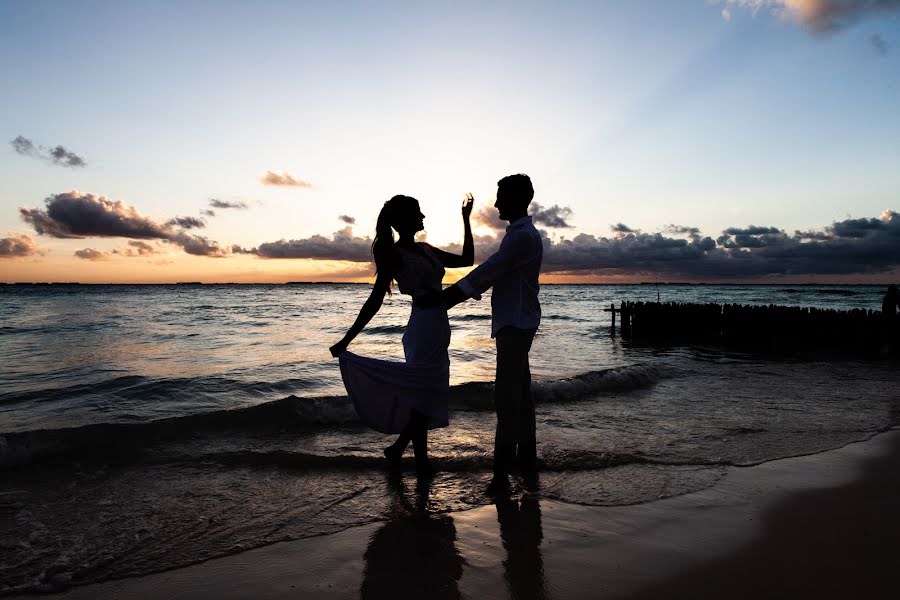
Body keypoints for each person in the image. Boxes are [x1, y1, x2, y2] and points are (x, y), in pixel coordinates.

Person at [330, 193, 474, 477]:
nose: (423, 218)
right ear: (405, 220)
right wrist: (347, 340)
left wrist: (466, 220)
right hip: (422, 327)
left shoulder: (427, 249)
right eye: (418, 213)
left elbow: (467, 259)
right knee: (425, 392)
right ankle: (409, 454)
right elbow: (375, 300)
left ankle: (409, 455)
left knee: (426, 393)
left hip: (438, 326)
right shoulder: (393, 256)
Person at [432, 174, 543, 496]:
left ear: (518, 197)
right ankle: (526, 464)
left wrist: (445, 299)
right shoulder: (520, 234)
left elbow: (488, 271)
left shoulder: (522, 237)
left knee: (508, 400)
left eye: (501, 197)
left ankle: (500, 479)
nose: (496, 204)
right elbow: (492, 272)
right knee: (521, 397)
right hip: (518, 321)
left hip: (516, 323)